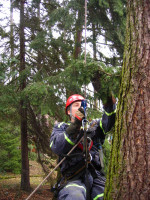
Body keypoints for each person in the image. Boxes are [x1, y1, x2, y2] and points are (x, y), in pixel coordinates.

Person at [50, 94, 116, 200]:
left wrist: (109, 103)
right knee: (75, 196)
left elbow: (109, 121)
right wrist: (76, 124)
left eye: (82, 105)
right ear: (68, 111)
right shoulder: (61, 127)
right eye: (76, 105)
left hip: (96, 177)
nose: (80, 108)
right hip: (72, 179)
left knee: (105, 196)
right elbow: (57, 146)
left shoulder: (94, 126)